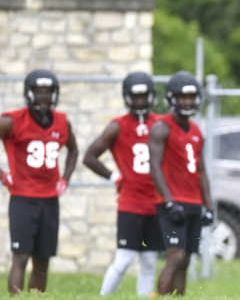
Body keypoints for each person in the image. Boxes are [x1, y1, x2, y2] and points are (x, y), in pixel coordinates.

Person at [83, 72, 163, 297]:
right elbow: (89, 156)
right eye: (135, 96)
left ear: (151, 96)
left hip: (156, 202)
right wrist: (114, 177)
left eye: (144, 96)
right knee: (124, 258)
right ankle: (103, 296)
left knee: (149, 261)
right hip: (131, 203)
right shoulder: (117, 126)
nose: (140, 101)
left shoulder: (160, 123)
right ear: (127, 97)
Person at [0, 69, 79, 295]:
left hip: (49, 200)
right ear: (29, 93)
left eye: (48, 91)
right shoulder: (12, 121)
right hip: (23, 199)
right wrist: (3, 174)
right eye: (39, 91)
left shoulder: (62, 122)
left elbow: (73, 150)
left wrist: (65, 178)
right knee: (21, 257)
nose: (44, 96)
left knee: (42, 260)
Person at [149, 71, 214, 296]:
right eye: (182, 97)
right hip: (172, 202)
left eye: (191, 97)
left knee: (185, 258)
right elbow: (154, 166)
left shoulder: (196, 131)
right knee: (175, 255)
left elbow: (202, 171)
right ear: (171, 98)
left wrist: (209, 205)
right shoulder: (161, 127)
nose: (187, 102)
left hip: (193, 202)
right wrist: (168, 201)